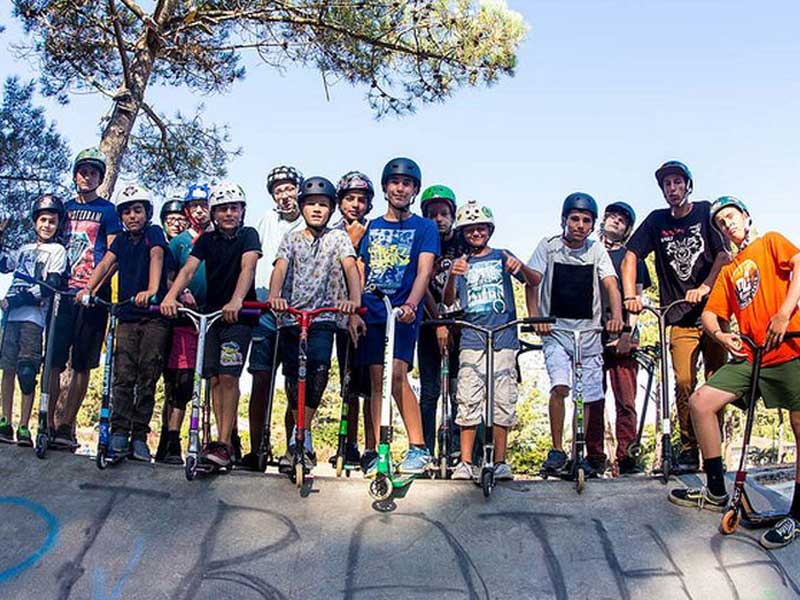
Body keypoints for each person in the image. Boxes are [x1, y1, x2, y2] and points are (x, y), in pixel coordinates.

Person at [668, 196, 800, 550]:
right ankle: (714, 489)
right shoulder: (728, 270)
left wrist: (784, 312)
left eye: (731, 217)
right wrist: (721, 335)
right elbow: (711, 313)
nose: (727, 225)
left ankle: (798, 513)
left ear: (745, 216)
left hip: (789, 347)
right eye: (721, 223)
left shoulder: (769, 241)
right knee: (700, 401)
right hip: (751, 355)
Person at [622, 160, 730, 473]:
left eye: (677, 183)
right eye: (667, 184)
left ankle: (714, 447)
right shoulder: (656, 221)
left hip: (713, 311)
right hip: (678, 314)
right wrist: (631, 296)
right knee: (684, 381)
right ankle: (688, 447)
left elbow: (724, 255)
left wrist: (705, 286)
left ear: (687, 185)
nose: (672, 189)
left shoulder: (705, 212)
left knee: (716, 380)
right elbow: (631, 255)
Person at [161, 182, 260, 469]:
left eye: (234, 208)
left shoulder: (248, 235)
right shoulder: (206, 240)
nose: (229, 214)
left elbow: (248, 268)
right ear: (214, 213)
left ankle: (226, 443)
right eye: (223, 209)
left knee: (230, 377)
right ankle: (219, 443)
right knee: (214, 378)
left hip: (237, 318)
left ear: (242, 210)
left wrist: (237, 300)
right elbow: (189, 269)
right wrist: (170, 296)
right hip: (211, 317)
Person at [525, 193, 623, 477]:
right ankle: (557, 449)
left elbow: (610, 284)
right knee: (561, 387)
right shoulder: (549, 246)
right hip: (556, 331)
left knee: (589, 395)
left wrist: (616, 317)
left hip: (589, 333)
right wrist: (536, 317)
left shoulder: (596, 250)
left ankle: (579, 446)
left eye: (586, 221)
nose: (579, 225)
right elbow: (532, 282)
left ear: (592, 225)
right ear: (564, 220)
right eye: (575, 219)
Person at [267, 176, 362, 467]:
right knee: (294, 376)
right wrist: (274, 295)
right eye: (311, 204)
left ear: (332, 209)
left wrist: (354, 300)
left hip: (324, 316)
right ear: (302, 207)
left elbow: (350, 266)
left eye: (323, 205)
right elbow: (280, 267)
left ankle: (303, 435)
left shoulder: (338, 237)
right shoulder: (292, 238)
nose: (317, 209)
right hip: (293, 317)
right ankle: (294, 442)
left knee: (319, 370)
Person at [77, 184, 170, 461]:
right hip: (127, 316)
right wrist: (88, 290)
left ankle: (139, 436)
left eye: (137, 210)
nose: (132, 217)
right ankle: (119, 432)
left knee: (147, 375)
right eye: (127, 212)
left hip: (153, 317)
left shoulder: (153, 233)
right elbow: (106, 264)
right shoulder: (120, 241)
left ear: (147, 212)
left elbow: (157, 257)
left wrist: (153, 290)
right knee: (123, 375)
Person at [358, 157, 438, 475]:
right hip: (373, 311)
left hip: (402, 314)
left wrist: (412, 305)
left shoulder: (425, 227)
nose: (400, 188)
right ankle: (382, 452)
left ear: (414, 190)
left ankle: (418, 448)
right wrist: (356, 310)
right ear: (385, 187)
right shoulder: (373, 227)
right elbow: (362, 271)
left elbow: (424, 271)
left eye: (406, 183)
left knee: (397, 375)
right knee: (378, 381)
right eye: (394, 182)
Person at [442, 200, 525, 480]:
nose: (476, 234)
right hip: (471, 339)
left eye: (481, 229)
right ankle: (466, 462)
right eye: (469, 230)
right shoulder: (461, 263)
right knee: (467, 397)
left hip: (503, 338)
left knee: (502, 398)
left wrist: (519, 267)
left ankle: (500, 461)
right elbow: (448, 301)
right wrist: (452, 277)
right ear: (463, 233)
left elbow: (534, 280)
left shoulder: (502, 256)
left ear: (489, 230)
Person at [50, 148, 122, 449]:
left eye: (93, 172)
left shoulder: (109, 211)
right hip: (62, 293)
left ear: (100, 177)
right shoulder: (63, 208)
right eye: (82, 171)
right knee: (52, 360)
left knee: (82, 363)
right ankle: (48, 419)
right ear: (75, 174)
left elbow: (114, 254)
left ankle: (67, 424)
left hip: (92, 296)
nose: (87, 176)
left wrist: (92, 289)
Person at [243, 165, 305, 472]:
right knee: (261, 379)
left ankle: (293, 448)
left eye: (289, 188)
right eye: (278, 190)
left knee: (295, 384)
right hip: (266, 308)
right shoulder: (267, 219)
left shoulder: (311, 219)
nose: (284, 195)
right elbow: (256, 260)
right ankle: (257, 448)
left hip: (297, 310)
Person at [590, 201, 652, 474]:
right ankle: (592, 456)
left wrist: (628, 332)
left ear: (628, 228)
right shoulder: (587, 252)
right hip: (591, 333)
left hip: (624, 335)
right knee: (592, 397)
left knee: (625, 399)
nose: (616, 221)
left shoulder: (632, 258)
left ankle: (626, 456)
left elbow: (637, 297)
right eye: (612, 216)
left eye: (622, 220)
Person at [0, 195, 67, 446]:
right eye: (42, 220)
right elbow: (4, 264)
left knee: (27, 371)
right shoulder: (23, 249)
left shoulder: (58, 251)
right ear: (35, 222)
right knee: (7, 368)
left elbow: (50, 286)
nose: (47, 225)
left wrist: (18, 300)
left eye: (51, 221)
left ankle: (25, 425)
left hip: (32, 318)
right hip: (10, 318)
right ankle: (5, 420)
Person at [155, 183, 212, 464]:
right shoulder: (178, 243)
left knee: (202, 384)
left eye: (204, 205)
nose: (200, 211)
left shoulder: (219, 239)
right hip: (182, 322)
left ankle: (213, 442)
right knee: (178, 383)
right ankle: (170, 440)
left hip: (210, 320)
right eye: (194, 206)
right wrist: (178, 292)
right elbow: (169, 277)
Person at [418, 184, 467, 458]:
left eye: (444, 213)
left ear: (452, 215)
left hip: (461, 324)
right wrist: (438, 322)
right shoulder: (422, 240)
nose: (439, 219)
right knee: (430, 390)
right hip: (429, 323)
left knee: (459, 389)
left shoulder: (463, 240)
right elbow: (421, 283)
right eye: (433, 214)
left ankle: (457, 447)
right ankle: (424, 449)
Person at [331, 170, 375, 469]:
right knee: (346, 381)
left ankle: (373, 446)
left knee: (370, 382)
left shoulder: (376, 228)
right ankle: (348, 443)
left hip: (369, 311)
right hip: (338, 312)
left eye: (361, 200)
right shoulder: (332, 230)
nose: (355, 205)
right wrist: (349, 239)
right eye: (350, 199)